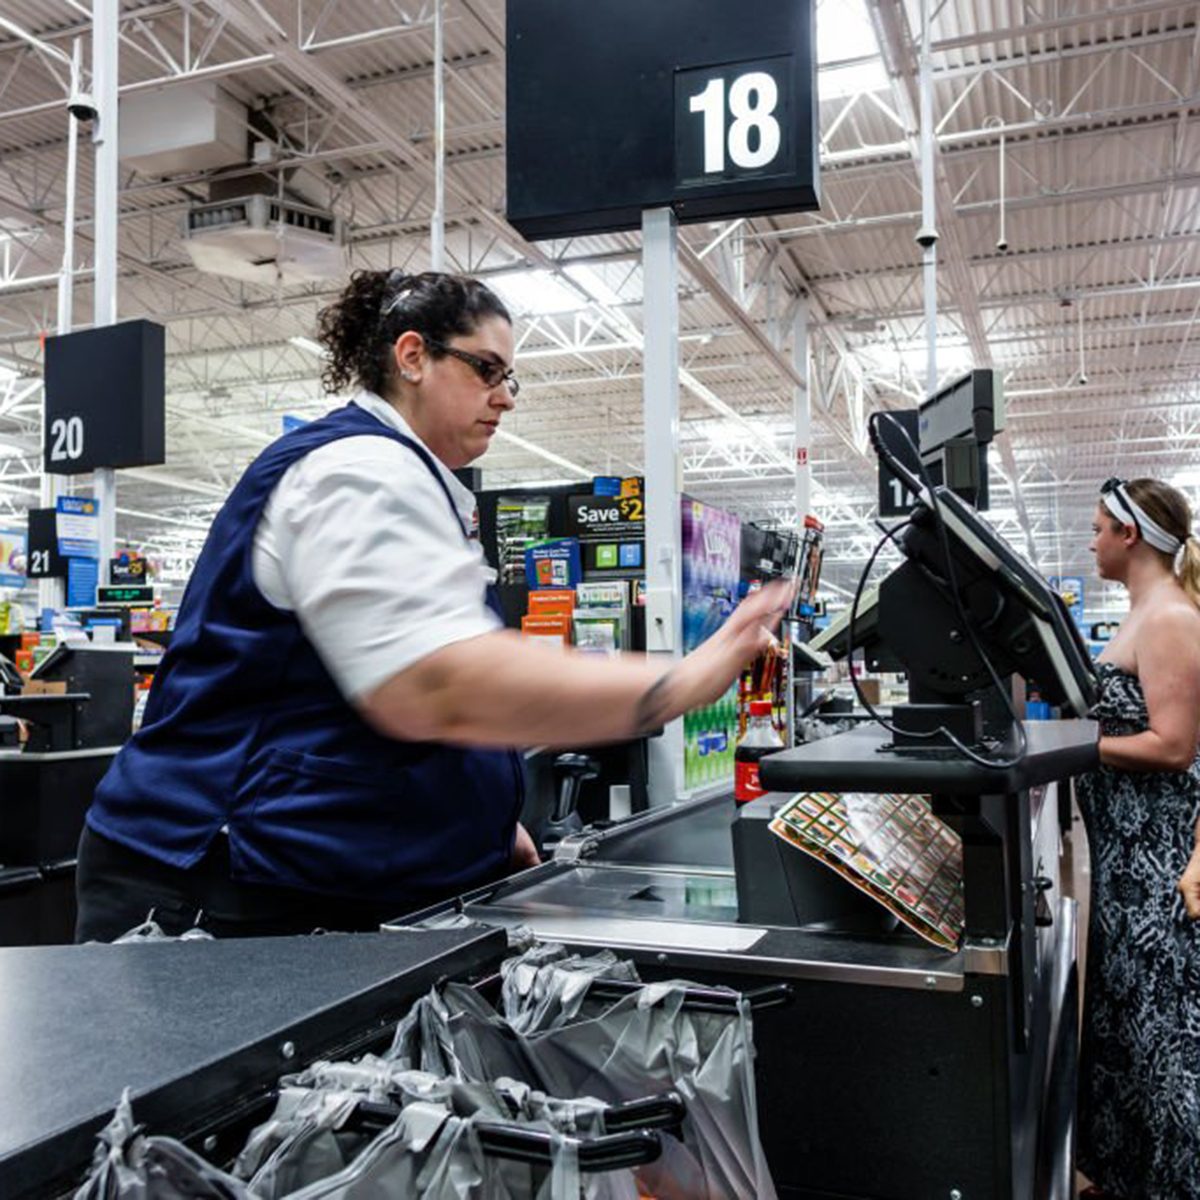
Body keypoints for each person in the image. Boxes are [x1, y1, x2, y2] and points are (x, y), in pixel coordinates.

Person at [75, 270, 790, 942]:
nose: (505, 396)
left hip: (296, 878)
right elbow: (439, 685)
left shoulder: (407, 481)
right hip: (214, 887)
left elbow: (374, 679)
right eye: (486, 369)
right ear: (412, 356)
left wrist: (482, 822)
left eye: (510, 377)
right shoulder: (358, 470)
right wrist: (687, 680)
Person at [1075, 476, 1200, 1199]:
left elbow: (1175, 746)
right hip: (1125, 862)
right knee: (1128, 1026)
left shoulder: (1170, 620)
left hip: (1160, 860)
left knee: (1166, 1039)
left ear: (1129, 535)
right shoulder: (1142, 612)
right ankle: (1130, 1176)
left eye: (1097, 527)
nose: (1090, 540)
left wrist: (1075, 748)